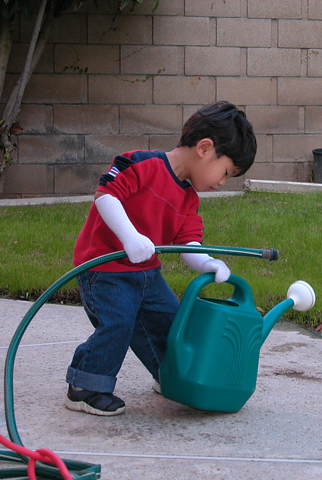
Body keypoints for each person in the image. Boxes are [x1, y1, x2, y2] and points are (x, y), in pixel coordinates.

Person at [65, 101, 257, 416]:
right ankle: (85, 386)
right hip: (105, 268)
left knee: (171, 323)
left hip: (146, 274)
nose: (222, 182)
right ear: (205, 148)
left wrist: (207, 263)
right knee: (118, 321)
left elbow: (188, 243)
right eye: (225, 172)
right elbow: (107, 197)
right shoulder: (141, 165)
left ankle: (170, 377)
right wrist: (129, 237)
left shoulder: (188, 198)